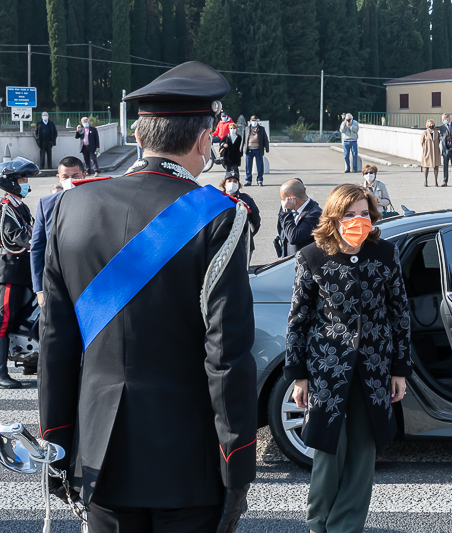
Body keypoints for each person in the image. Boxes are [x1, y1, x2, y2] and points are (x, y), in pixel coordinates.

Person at [38, 61, 256, 533]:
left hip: (98, 456)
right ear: (205, 141)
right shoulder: (220, 217)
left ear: (138, 135)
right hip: (188, 462)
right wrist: (237, 465)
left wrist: (55, 449)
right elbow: (227, 358)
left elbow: (54, 344)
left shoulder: (69, 205)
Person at [285, 183, 412, 533]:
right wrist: (298, 375)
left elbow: (399, 313)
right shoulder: (311, 256)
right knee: (329, 447)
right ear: (334, 216)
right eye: (350, 214)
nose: (358, 220)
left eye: (364, 213)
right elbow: (298, 319)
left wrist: (400, 369)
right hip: (327, 367)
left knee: (363, 450)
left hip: (374, 366)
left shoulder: (385, 253)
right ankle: (318, 523)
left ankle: (346, 526)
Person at [0, 158, 36, 388]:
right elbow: (15, 235)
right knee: (4, 319)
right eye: (23, 179)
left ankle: (30, 362)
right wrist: (38, 242)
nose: (26, 184)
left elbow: (34, 228)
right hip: (10, 269)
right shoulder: (6, 207)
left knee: (27, 315)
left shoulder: (21, 206)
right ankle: (1, 372)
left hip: (26, 269)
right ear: (11, 182)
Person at [31, 156, 85, 308]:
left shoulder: (95, 200)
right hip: (55, 280)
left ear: (84, 175)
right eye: (65, 177)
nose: (70, 180)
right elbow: (37, 247)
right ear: (59, 178)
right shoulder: (46, 204)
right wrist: (39, 289)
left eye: (75, 176)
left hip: (86, 279)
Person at [275, 179, 322, 258]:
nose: (282, 203)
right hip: (288, 259)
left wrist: (286, 213)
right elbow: (281, 230)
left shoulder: (314, 214)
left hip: (303, 261)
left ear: (292, 198)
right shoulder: (290, 209)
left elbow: (294, 237)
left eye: (283, 199)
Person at [220, 174, 260, 258]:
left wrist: (249, 234)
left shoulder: (246, 199)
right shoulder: (218, 198)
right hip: (222, 243)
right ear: (224, 184)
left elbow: (255, 221)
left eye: (235, 181)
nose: (232, 183)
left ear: (238, 185)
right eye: (229, 181)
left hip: (243, 242)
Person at [245, 115, 269, 186]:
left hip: (258, 149)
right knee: (248, 166)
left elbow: (265, 139)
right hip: (249, 149)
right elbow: (244, 139)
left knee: (260, 166)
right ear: (250, 121)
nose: (254, 122)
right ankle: (248, 180)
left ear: (257, 121)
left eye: (255, 120)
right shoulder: (247, 129)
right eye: (252, 121)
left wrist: (267, 148)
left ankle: (259, 180)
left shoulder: (261, 129)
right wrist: (241, 149)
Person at [440, 113, 452, 187]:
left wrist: (451, 139)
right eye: (442, 119)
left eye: (444, 119)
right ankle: (445, 181)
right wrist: (445, 139)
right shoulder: (442, 127)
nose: (443, 120)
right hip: (445, 148)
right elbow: (441, 136)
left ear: (448, 118)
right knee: (445, 165)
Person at [420, 119, 441, 186]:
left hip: (435, 151)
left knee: (436, 166)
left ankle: (436, 181)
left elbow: (439, 140)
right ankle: (425, 181)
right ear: (427, 125)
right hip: (428, 152)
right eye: (430, 124)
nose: (431, 125)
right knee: (426, 167)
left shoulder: (437, 132)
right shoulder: (425, 133)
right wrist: (425, 148)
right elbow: (422, 142)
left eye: (432, 123)